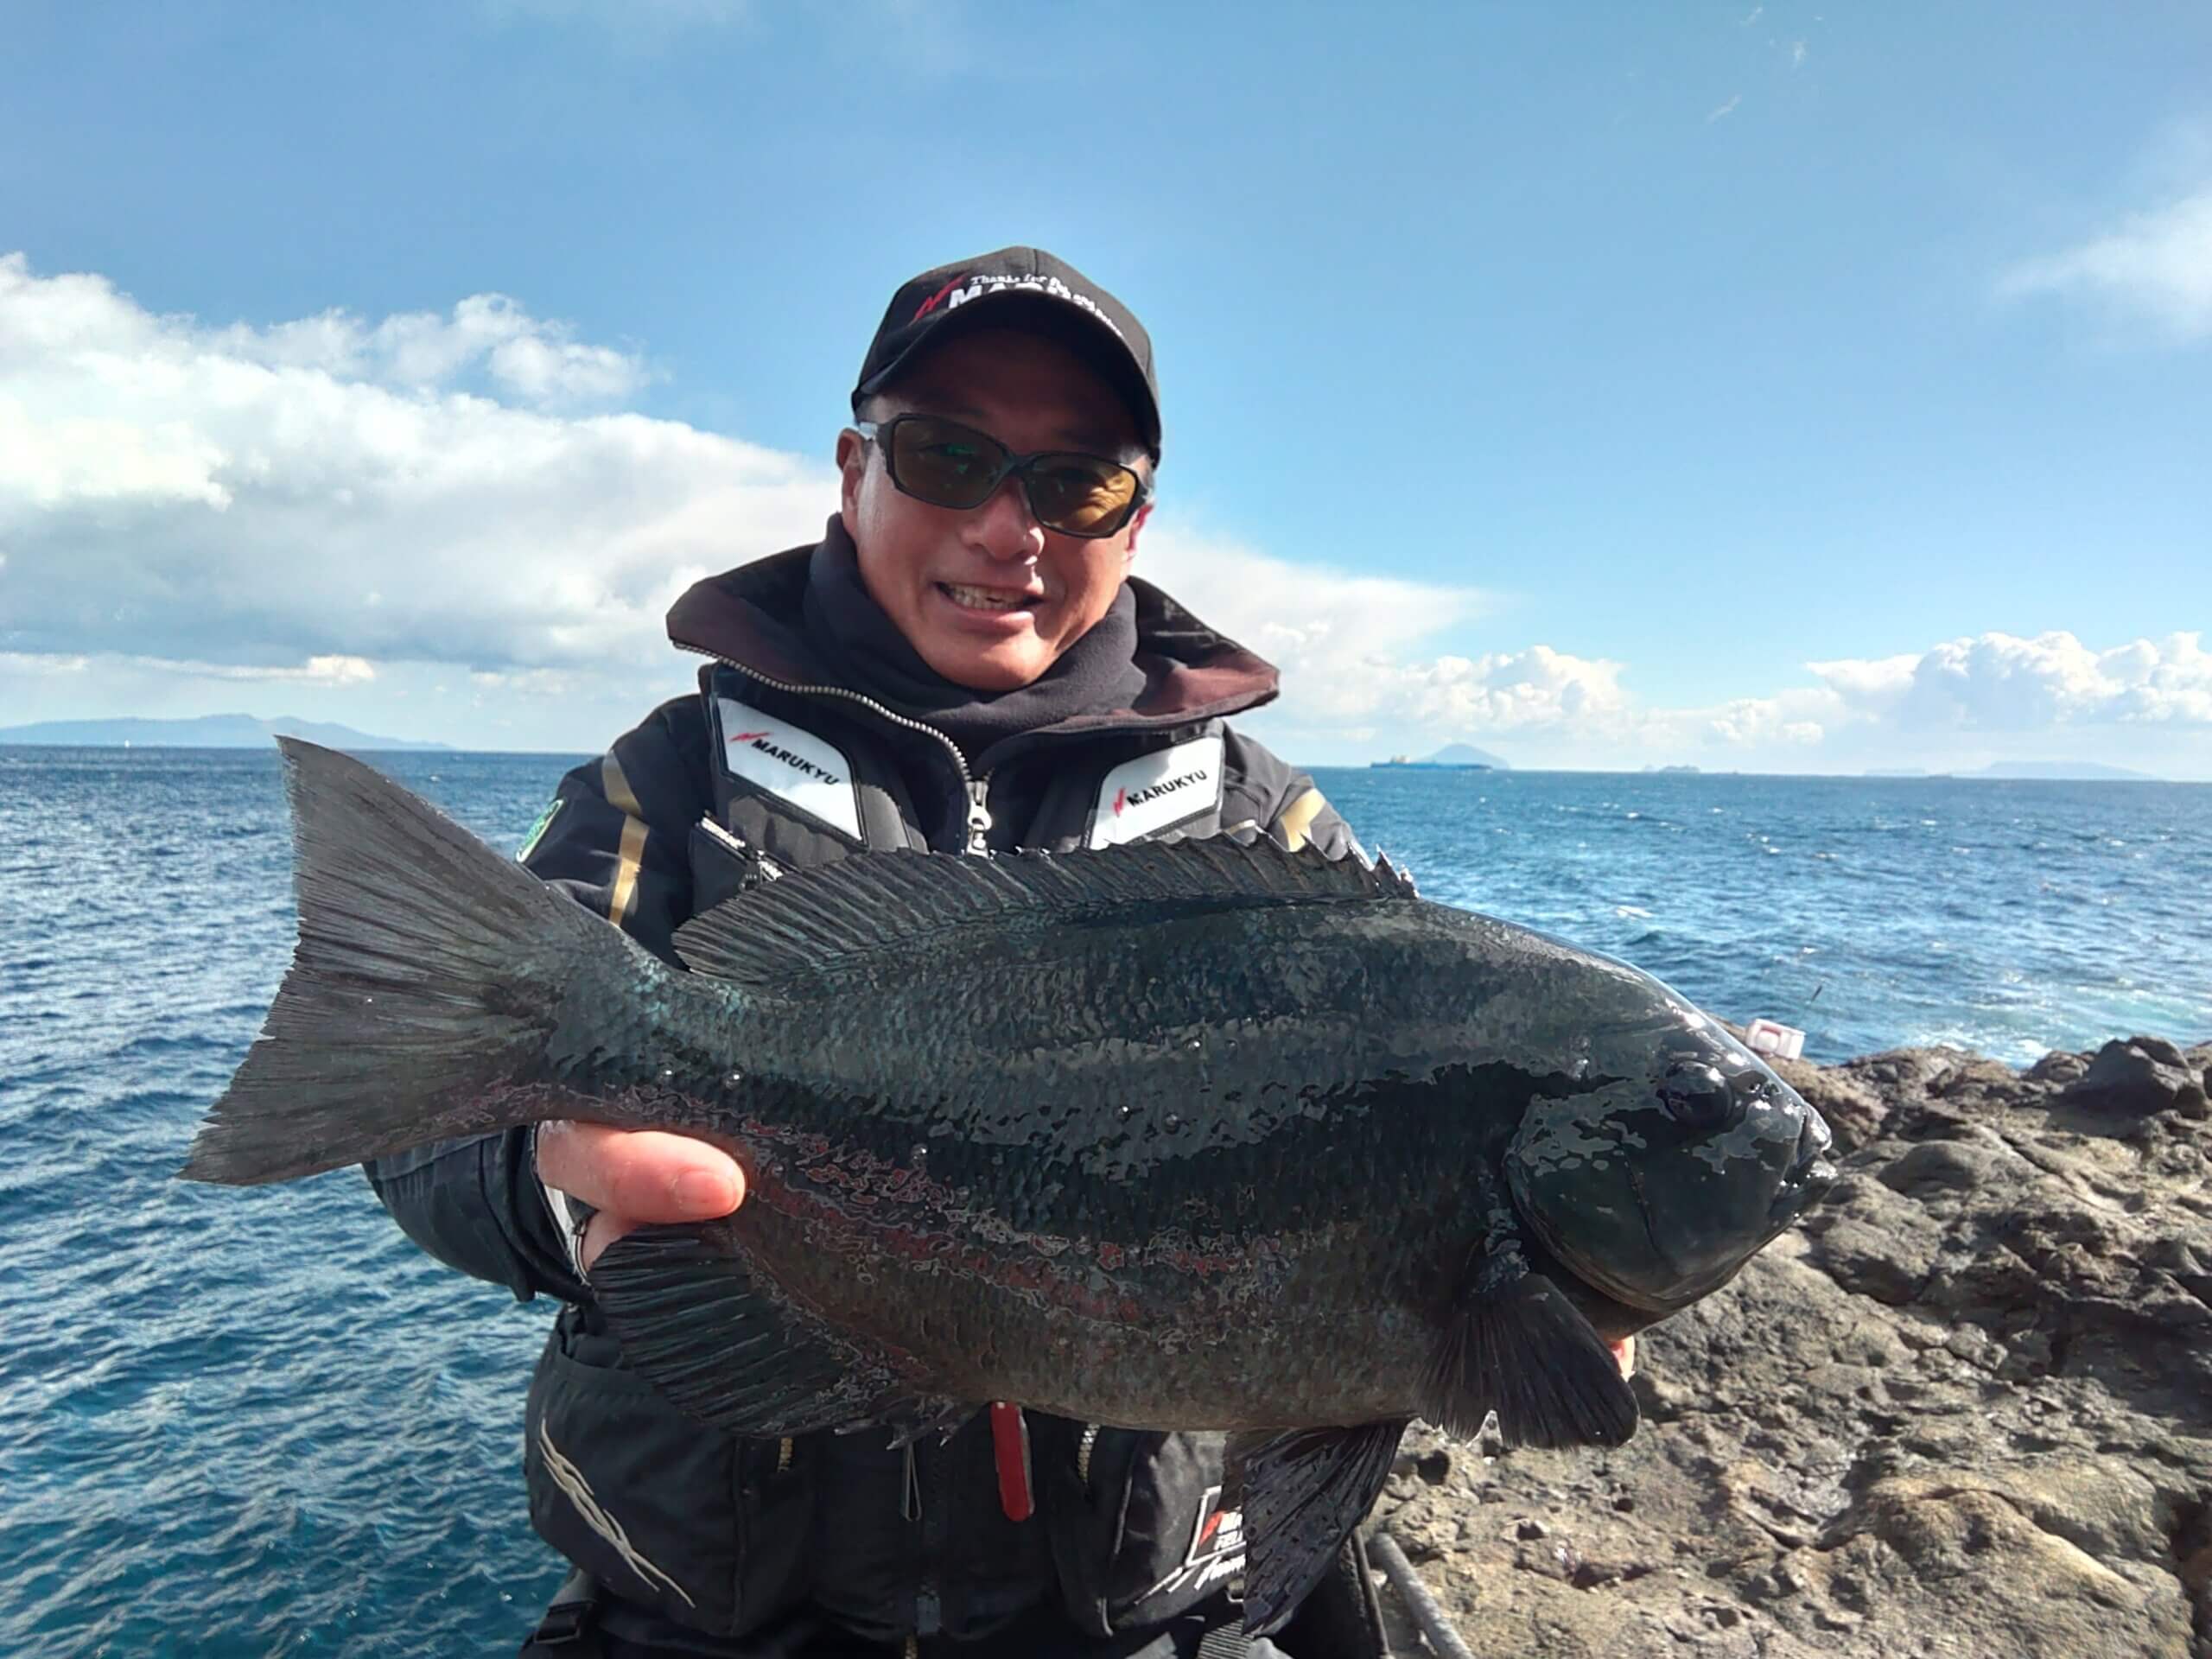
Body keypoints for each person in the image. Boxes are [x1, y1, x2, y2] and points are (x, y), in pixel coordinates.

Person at [365, 248, 1390, 1659]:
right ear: (853, 471)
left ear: (1137, 521)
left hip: (1130, 1623)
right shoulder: (669, 782)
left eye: (1075, 481)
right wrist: (554, 1180)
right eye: (947, 456)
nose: (1008, 526)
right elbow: (413, 1091)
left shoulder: (1266, 828)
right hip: (716, 1624)